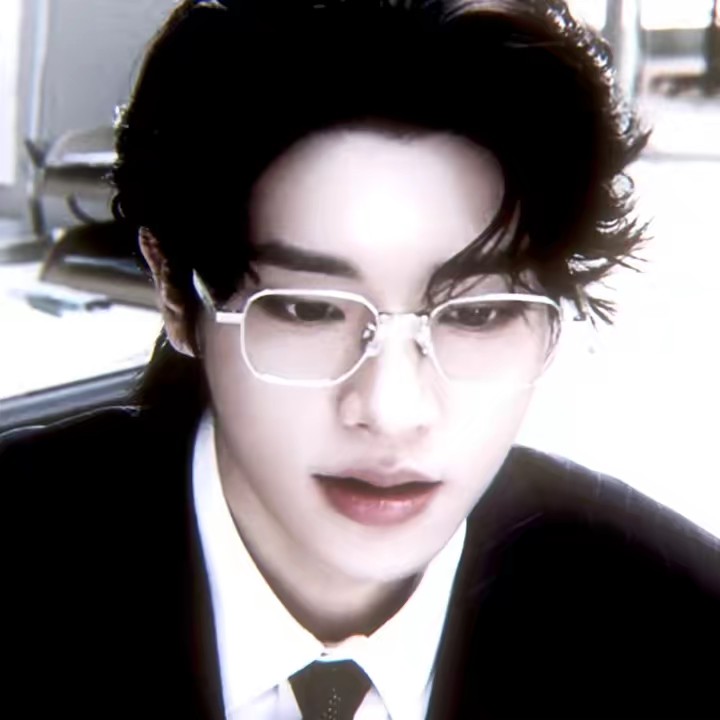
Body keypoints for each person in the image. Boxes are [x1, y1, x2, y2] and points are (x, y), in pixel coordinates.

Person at [2, 1, 718, 718]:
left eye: (477, 315)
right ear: (173, 292)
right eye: (309, 309)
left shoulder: (681, 629)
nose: (392, 409)